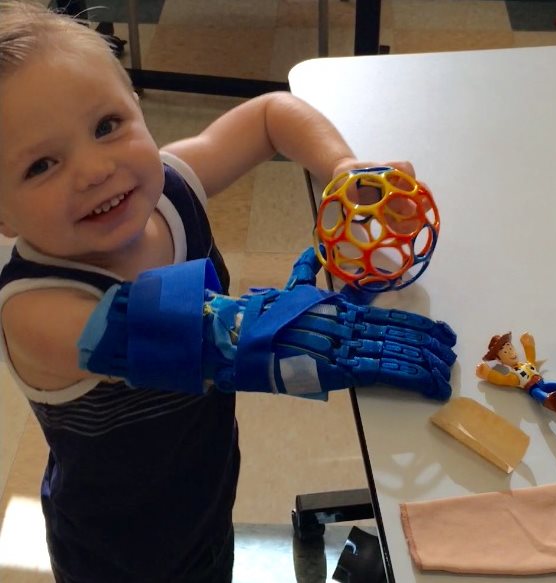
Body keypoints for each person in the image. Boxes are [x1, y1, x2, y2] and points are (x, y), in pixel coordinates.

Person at [0, 2, 456, 582]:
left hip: (205, 495)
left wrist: (342, 167)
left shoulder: (171, 187)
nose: (93, 169)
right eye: (41, 165)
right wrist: (277, 329)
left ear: (137, 108)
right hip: (115, 552)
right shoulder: (34, 309)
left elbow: (270, 115)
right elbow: (183, 336)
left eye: (107, 126)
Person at [476, 331, 556, 416]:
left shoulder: (527, 364)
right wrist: (487, 373)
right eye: (505, 352)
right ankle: (552, 401)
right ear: (499, 360)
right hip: (532, 388)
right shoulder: (514, 376)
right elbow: (502, 379)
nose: (510, 352)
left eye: (510, 348)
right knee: (540, 394)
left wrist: (528, 344)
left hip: (543, 382)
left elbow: (531, 357)